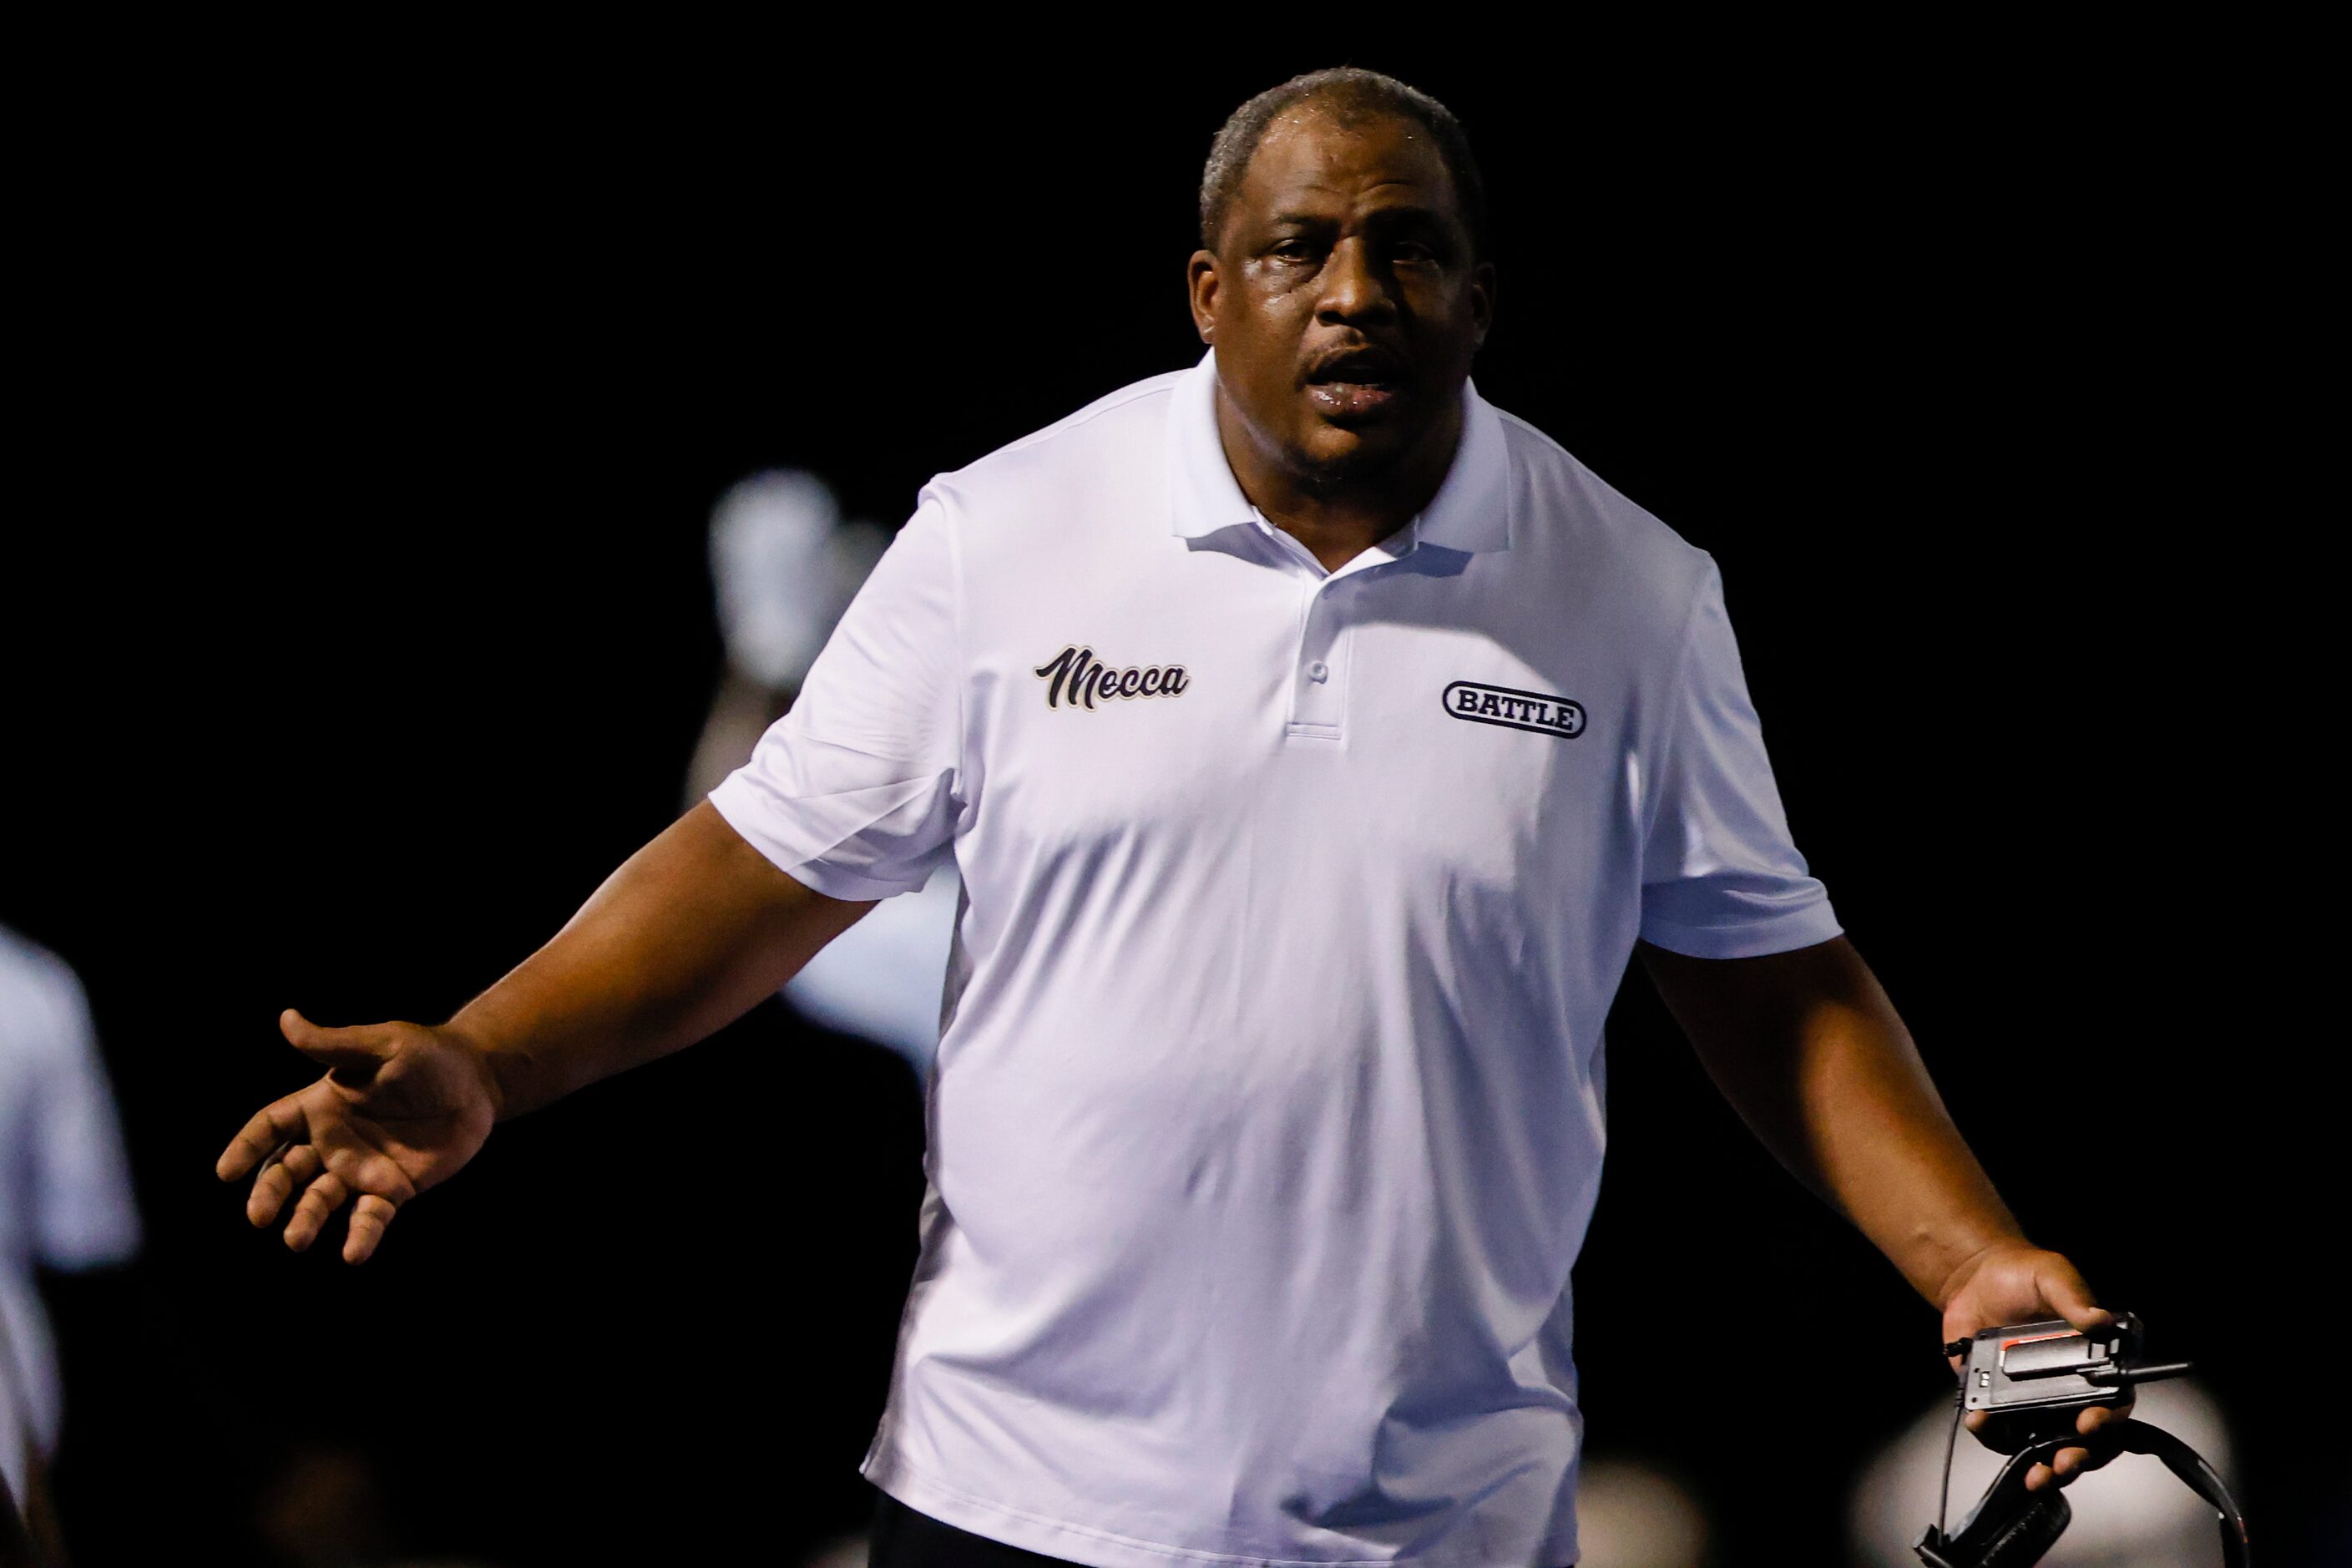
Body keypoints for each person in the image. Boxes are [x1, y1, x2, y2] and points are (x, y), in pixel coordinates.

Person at [217, 69, 2130, 1567]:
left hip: (1436, 1528)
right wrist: (486, 1059)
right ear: (1211, 290)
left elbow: (1766, 975)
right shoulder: (1005, 531)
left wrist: (1960, 1259)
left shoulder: (1631, 591)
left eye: (1408, 247)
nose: (1355, 292)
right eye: (1299, 248)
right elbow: (754, 868)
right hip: (1019, 1504)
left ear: (1481, 293)